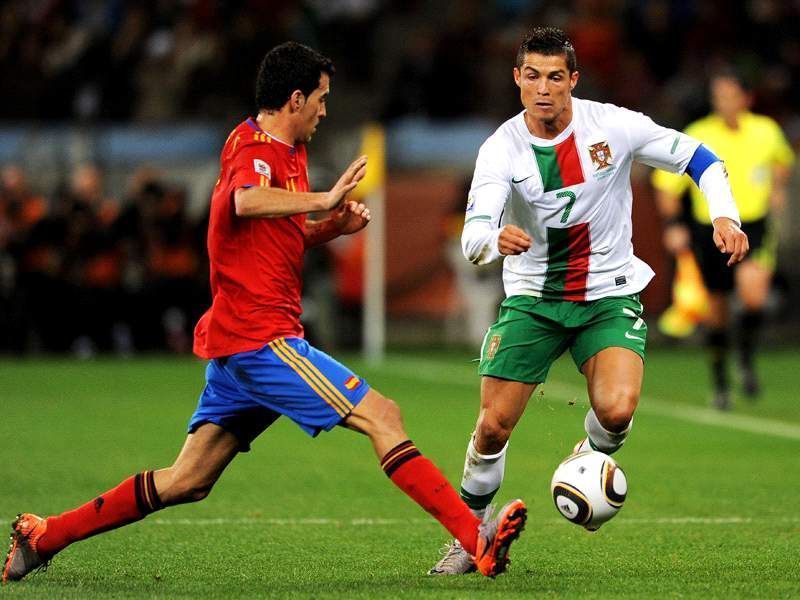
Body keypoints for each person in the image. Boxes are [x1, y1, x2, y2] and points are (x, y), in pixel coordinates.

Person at [3, 42, 527, 584]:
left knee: (188, 479)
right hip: (261, 341)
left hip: (241, 345)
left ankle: (45, 536)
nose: (325, 111)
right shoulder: (250, 146)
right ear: (295, 98)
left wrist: (330, 228)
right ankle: (475, 538)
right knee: (382, 414)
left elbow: (278, 235)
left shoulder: (291, 154)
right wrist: (324, 200)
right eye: (320, 100)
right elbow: (244, 202)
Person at [428, 27, 748, 575]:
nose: (543, 88)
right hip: (533, 299)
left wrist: (725, 214)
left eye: (555, 77)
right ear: (517, 79)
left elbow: (701, 158)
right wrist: (492, 240)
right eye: (532, 76)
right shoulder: (502, 147)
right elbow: (475, 229)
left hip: (607, 295)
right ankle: (466, 536)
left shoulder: (615, 127)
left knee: (618, 411)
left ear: (573, 80)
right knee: (492, 428)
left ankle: (587, 453)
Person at [652, 70, 794, 410]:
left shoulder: (765, 131)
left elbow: (782, 162)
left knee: (754, 295)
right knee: (716, 308)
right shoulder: (700, 135)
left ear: (747, 98)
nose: (724, 103)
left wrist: (776, 189)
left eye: (730, 95)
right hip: (710, 231)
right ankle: (720, 381)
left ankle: (744, 357)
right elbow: (666, 183)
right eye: (719, 97)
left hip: (753, 226)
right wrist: (673, 223)